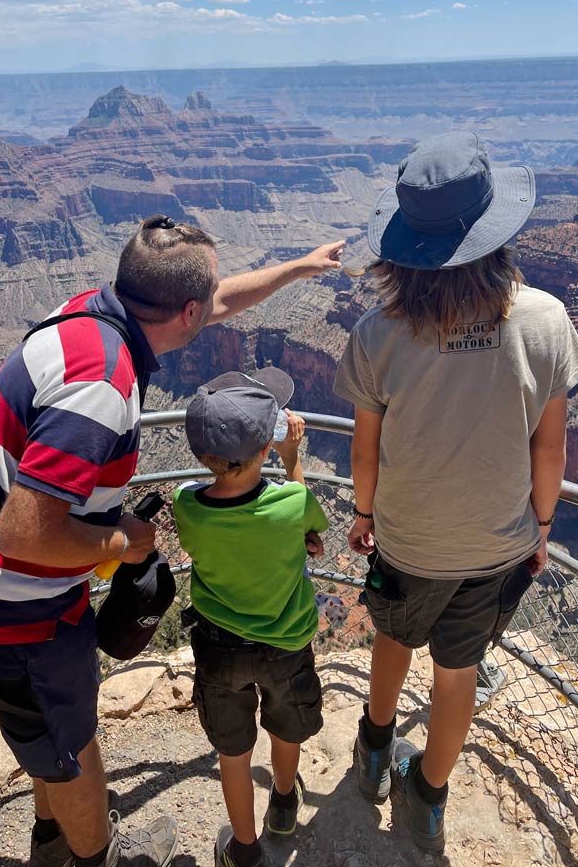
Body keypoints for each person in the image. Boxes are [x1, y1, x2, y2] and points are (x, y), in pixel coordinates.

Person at [0, 216, 344, 867]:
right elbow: (23, 534)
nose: (214, 309)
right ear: (184, 309)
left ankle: (52, 840)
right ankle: (96, 855)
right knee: (75, 744)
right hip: (1, 603)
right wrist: (125, 539)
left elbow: (215, 303)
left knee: (44, 733)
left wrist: (297, 268)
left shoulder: (89, 313)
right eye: (207, 301)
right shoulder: (101, 389)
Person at [333, 132, 578, 853]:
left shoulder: (377, 330)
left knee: (390, 635)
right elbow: (551, 447)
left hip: (407, 539)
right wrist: (541, 530)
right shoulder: (544, 319)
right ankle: (428, 798)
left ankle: (375, 747)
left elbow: (364, 448)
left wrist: (361, 513)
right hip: (496, 544)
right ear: (494, 232)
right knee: (457, 677)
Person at [172, 368, 327, 867]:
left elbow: (206, 539)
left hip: (219, 650)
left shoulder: (187, 507)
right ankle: (283, 804)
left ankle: (243, 851)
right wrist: (292, 459)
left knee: (233, 754)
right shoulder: (293, 499)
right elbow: (306, 526)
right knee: (286, 729)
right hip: (286, 646)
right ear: (266, 447)